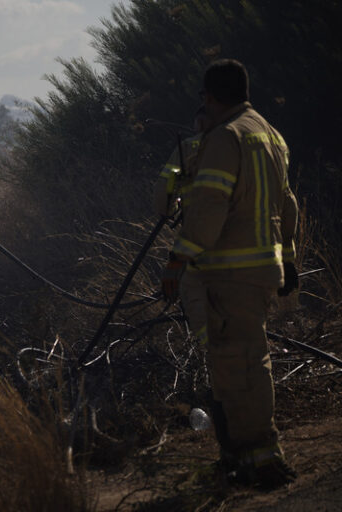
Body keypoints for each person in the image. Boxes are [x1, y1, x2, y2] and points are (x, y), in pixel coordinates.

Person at [162, 59, 299, 489]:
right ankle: (244, 456)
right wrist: (289, 258)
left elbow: (207, 213)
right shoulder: (269, 133)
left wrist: (177, 261)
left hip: (231, 273)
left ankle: (262, 460)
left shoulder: (225, 137)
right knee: (244, 361)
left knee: (240, 366)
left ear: (209, 97)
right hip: (261, 271)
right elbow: (288, 203)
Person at [155, 107, 210, 345]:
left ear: (199, 122)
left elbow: (164, 191)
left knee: (193, 293)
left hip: (200, 243)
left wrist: (169, 210)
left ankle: (214, 355)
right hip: (255, 249)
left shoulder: (188, 147)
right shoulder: (249, 145)